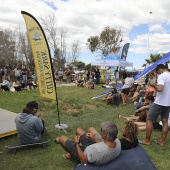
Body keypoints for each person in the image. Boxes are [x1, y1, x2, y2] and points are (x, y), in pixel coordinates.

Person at [55, 122, 121, 164]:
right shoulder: (117, 142)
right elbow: (104, 144)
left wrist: (77, 144)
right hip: (93, 147)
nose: (100, 132)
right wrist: (94, 138)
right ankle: (72, 153)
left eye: (101, 131)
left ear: (104, 135)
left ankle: (71, 156)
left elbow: (84, 160)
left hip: (84, 153)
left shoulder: (97, 151)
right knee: (79, 130)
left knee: (62, 138)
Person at [141, 64, 170, 146]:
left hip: (159, 102)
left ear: (160, 69)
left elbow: (160, 89)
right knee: (165, 122)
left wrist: (154, 85)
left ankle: (147, 140)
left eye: (158, 71)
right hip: (168, 103)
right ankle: (161, 141)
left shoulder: (162, 76)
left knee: (149, 119)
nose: (158, 73)